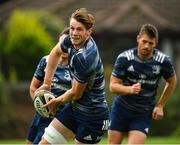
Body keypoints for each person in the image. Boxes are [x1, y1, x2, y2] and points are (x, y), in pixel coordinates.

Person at [37, 8, 109, 144]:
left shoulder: (86, 57)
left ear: (89, 32)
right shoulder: (70, 39)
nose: (74, 33)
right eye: (72, 28)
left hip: (93, 116)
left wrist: (56, 102)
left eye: (79, 29)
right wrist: (46, 84)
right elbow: (54, 53)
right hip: (75, 108)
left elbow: (76, 93)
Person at [108, 23, 177, 144]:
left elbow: (172, 81)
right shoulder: (124, 58)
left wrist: (160, 105)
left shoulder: (162, 61)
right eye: (144, 41)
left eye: (150, 43)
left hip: (143, 112)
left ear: (155, 43)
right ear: (138, 38)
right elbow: (112, 86)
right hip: (121, 109)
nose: (146, 46)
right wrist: (129, 89)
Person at [26, 28, 71, 144]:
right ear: (58, 44)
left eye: (68, 44)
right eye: (62, 43)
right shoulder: (46, 61)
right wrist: (40, 106)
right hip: (40, 114)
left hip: (57, 118)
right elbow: (33, 88)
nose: (65, 47)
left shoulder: (75, 66)